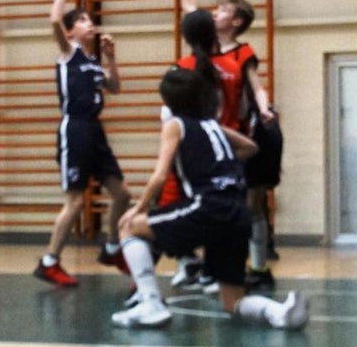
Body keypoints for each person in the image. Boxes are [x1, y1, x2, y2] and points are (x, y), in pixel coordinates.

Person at [110, 63, 309, 330]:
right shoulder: (212, 126)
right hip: (237, 214)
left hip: (207, 206)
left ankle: (150, 303)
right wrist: (215, 162)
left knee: (129, 227)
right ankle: (279, 312)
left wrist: (139, 208)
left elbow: (159, 176)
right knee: (232, 301)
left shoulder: (175, 125)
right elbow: (250, 147)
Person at [165, 0, 280, 292]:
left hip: (232, 136)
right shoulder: (205, 45)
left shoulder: (243, 53)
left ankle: (252, 267)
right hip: (201, 135)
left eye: (223, 10)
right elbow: (189, 7)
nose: (215, 13)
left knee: (245, 207)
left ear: (237, 21)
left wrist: (264, 108)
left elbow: (256, 86)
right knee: (196, 201)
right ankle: (200, 264)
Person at [34, 0, 132, 287]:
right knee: (75, 201)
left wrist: (111, 58)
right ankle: (49, 261)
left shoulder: (92, 63)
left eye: (90, 20)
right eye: (84, 20)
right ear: (71, 31)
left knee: (122, 193)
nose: (90, 24)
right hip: (74, 129)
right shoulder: (68, 54)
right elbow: (53, 20)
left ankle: (112, 247)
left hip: (95, 130)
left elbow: (115, 88)